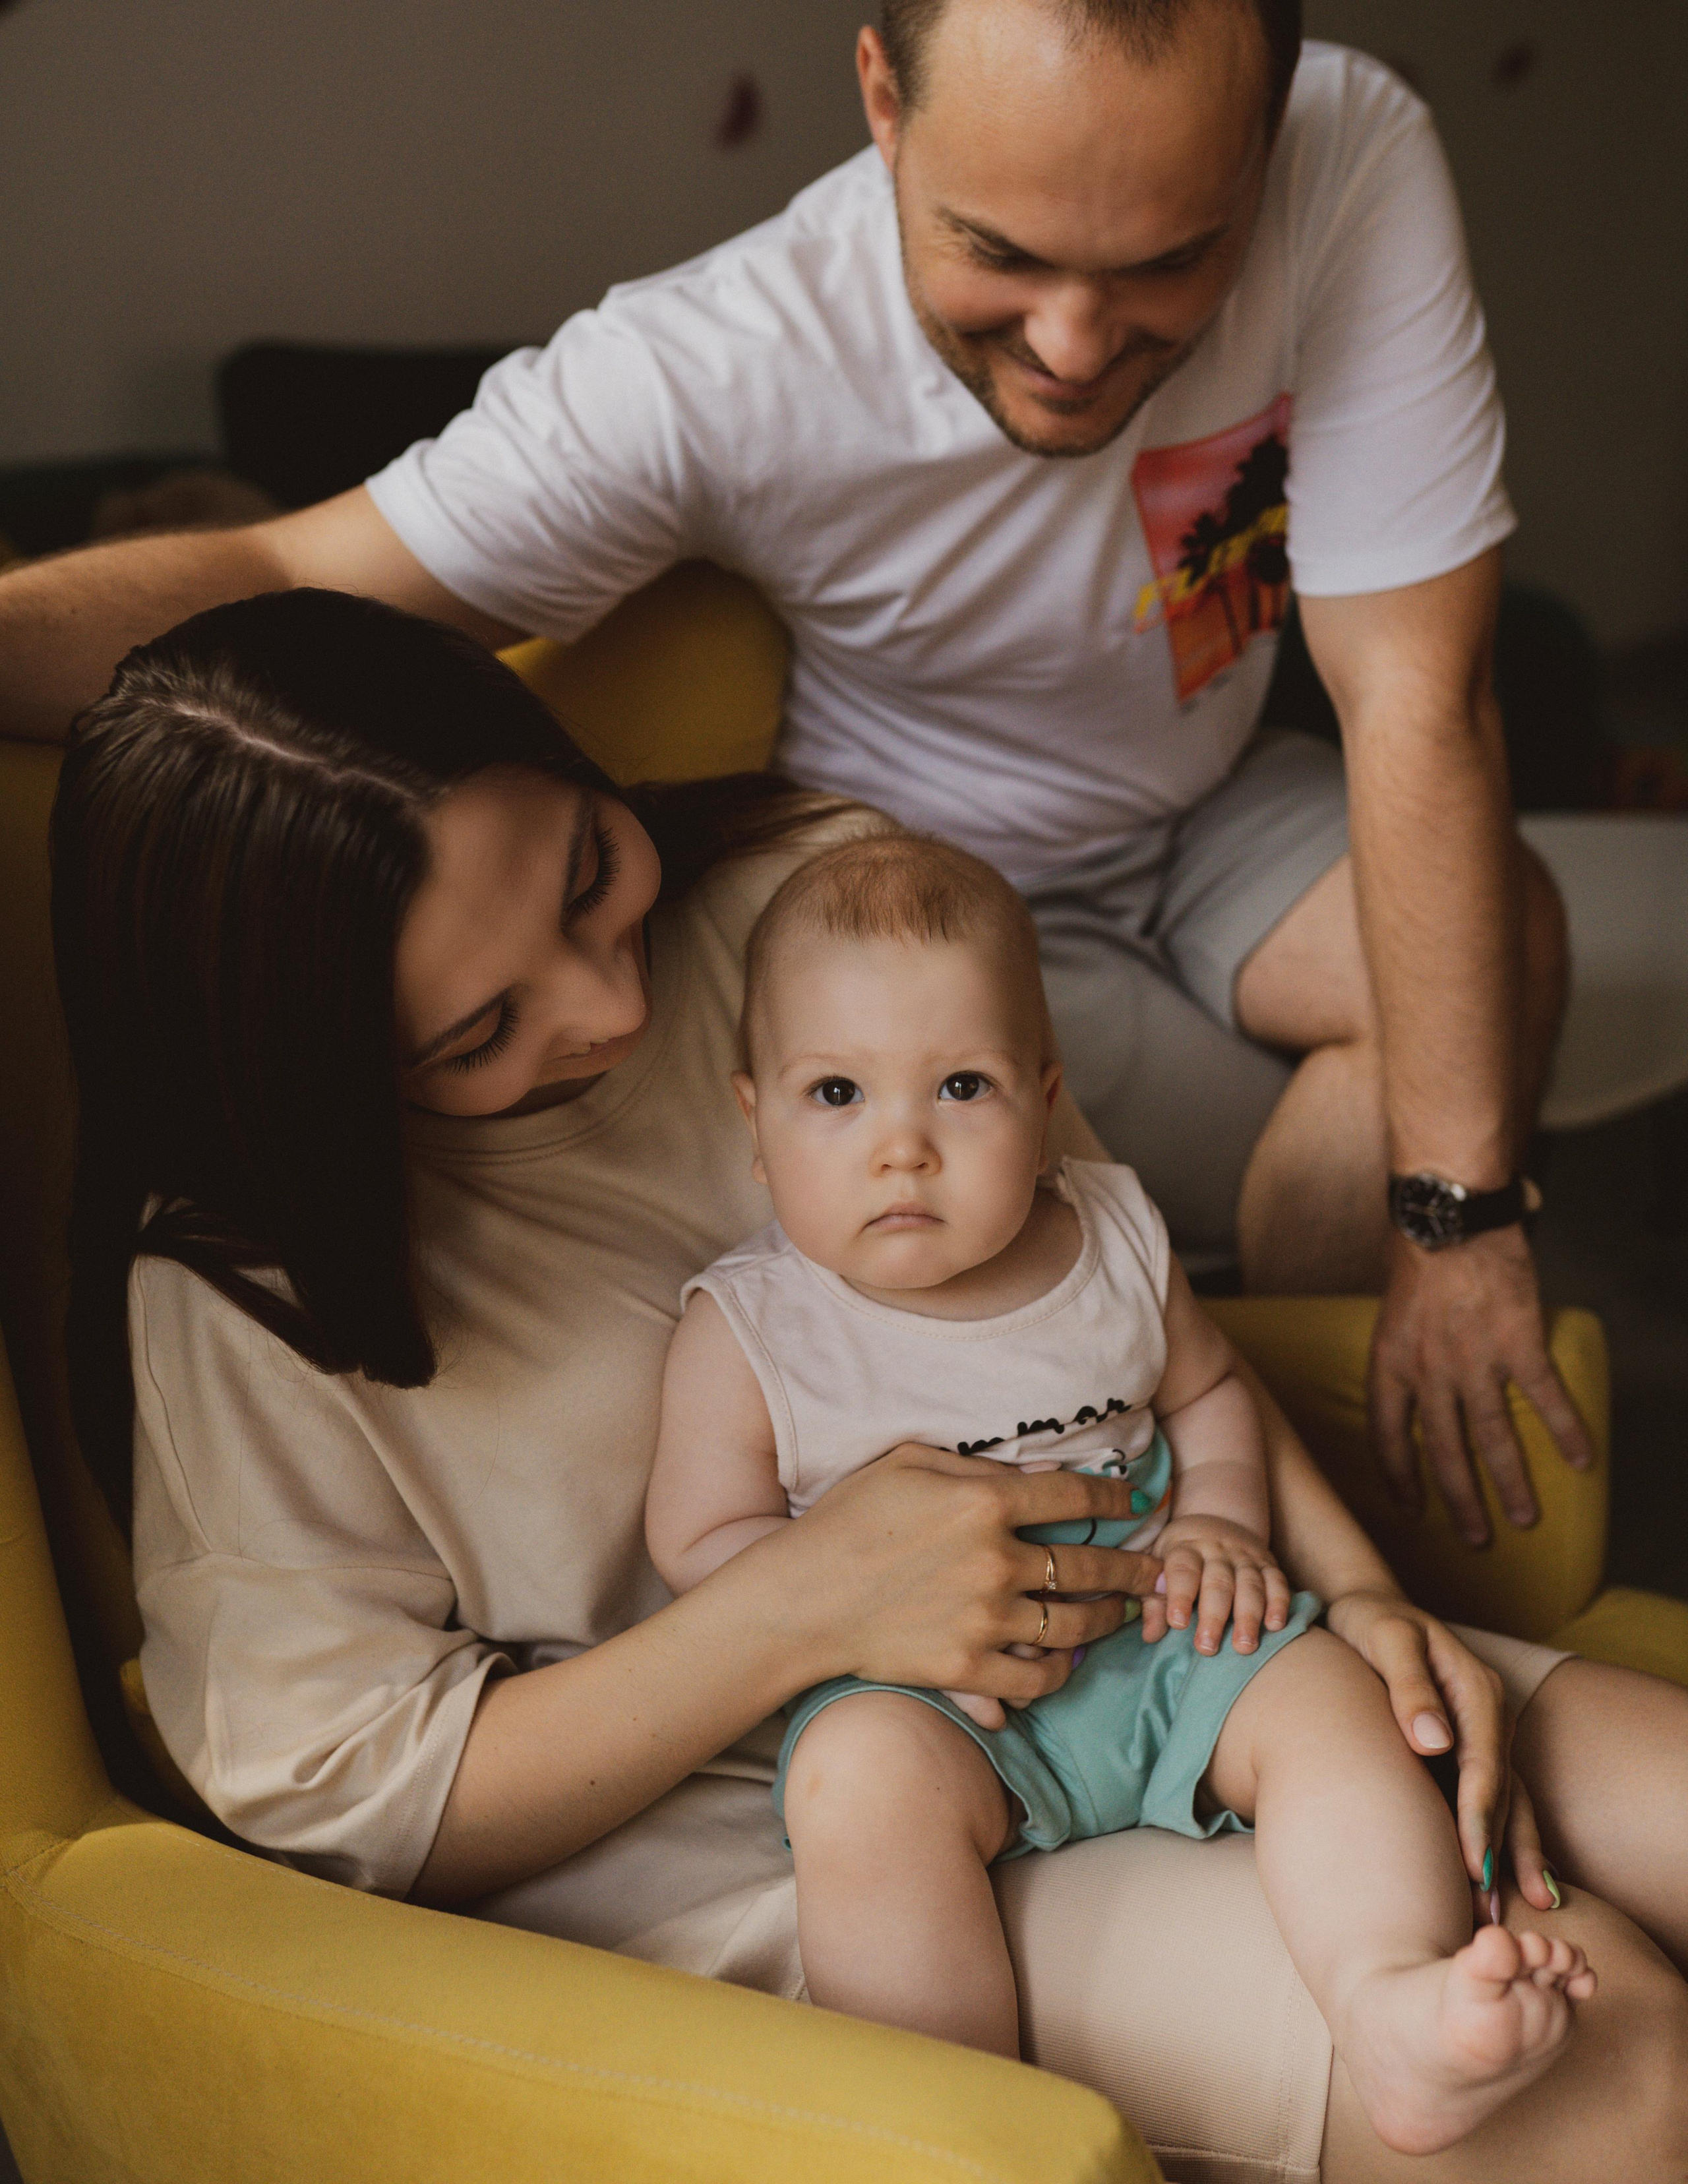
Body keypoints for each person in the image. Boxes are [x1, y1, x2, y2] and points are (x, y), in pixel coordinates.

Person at [47, 591, 1688, 2183]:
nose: (612, 1005)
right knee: (1616, 2072)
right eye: (479, 1028)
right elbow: (359, 1795)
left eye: (586, 874)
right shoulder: (239, 1295)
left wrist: (1349, 1592)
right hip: (819, 1820)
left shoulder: (813, 894)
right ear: (318, 1072)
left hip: (1154, 1617)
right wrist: (803, 1609)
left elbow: (1127, 1314)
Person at [2, 0, 1588, 1541]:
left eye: (1168, 261)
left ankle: (1284, 1465)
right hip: (935, 892)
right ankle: (1238, 1442)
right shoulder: (716, 365)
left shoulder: (1350, 144)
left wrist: (1458, 1230)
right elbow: (290, 567)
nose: (1073, 342)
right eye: (1000, 253)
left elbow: (1416, 697)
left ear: (1262, 136)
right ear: (883, 107)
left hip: (1210, 802)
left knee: (1498, 951)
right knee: (1398, 1094)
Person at [648, 832, 1595, 2154]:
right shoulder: (752, 1328)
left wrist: (1215, 1519)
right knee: (858, 1794)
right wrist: (843, 1609)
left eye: (959, 1086)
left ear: (1042, 1101)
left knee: (1325, 1707)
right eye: (836, 1095)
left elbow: (1208, 1395)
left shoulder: (1107, 1237)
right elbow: (696, 1538)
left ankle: (1389, 2000)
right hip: (931, 1692)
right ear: (753, 1122)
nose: (900, 1148)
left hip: (1165, 1635)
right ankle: (941, 2114)